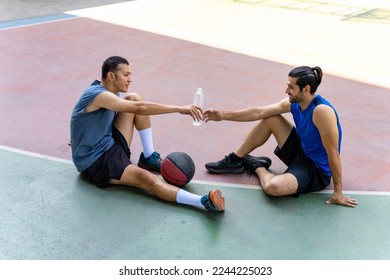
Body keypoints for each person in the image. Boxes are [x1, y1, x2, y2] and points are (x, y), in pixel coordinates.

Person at [70, 56, 224, 212]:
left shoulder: (110, 91)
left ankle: (148, 156)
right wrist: (180, 108)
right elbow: (139, 108)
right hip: (96, 162)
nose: (130, 79)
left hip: (109, 143)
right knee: (147, 179)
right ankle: (204, 202)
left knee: (134, 97)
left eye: (130, 74)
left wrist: (79, 139)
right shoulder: (98, 95)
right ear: (111, 76)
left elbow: (84, 120)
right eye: (126, 75)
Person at [203, 66, 357, 207]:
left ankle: (258, 166)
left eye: (291, 87)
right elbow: (259, 112)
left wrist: (338, 192)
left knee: (272, 187)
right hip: (301, 150)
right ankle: (234, 160)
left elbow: (333, 153)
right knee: (272, 118)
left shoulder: (322, 112)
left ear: (306, 89)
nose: (286, 90)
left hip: (315, 170)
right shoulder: (294, 103)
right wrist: (222, 115)